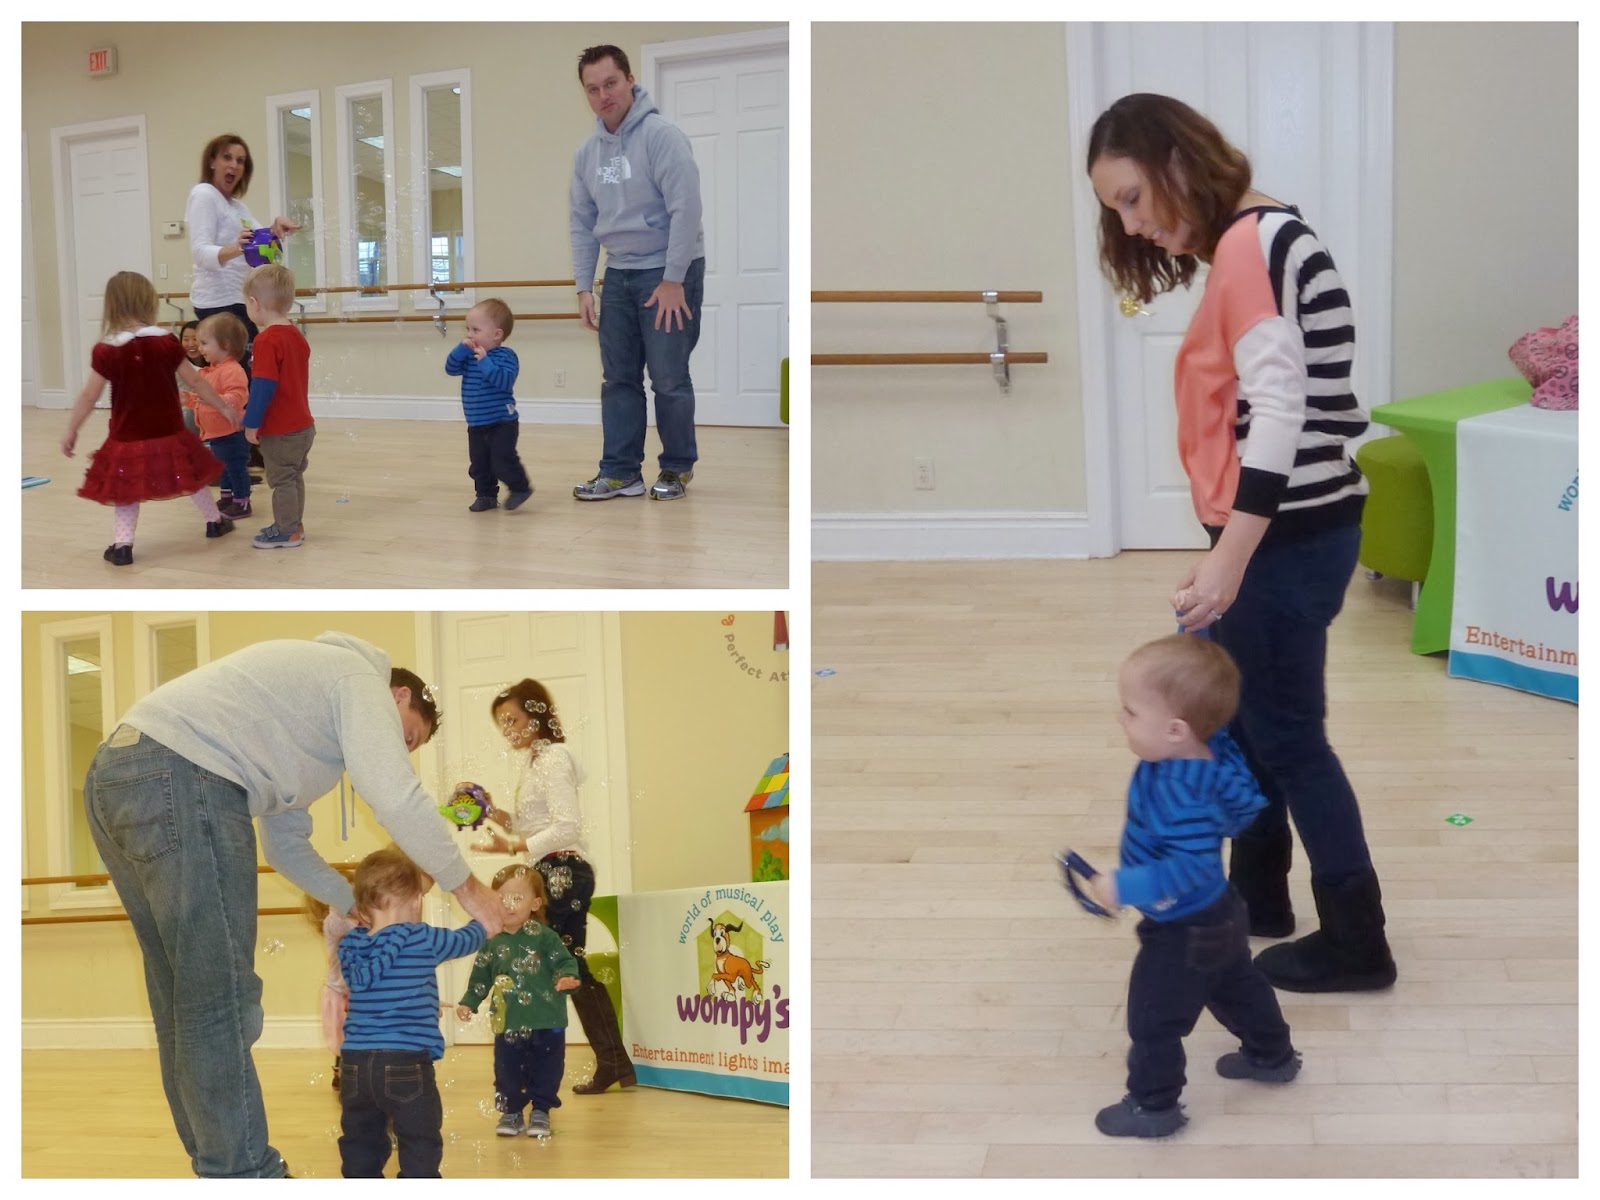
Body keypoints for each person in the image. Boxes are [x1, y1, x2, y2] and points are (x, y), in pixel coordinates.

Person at [1086, 92, 1395, 994]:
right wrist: (1228, 544)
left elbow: (1281, 411)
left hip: (1290, 536)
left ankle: (1358, 943)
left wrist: (1233, 554)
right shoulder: (1260, 240)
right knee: (1251, 726)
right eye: (1116, 211)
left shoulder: (1253, 244)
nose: (1132, 226)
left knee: (1290, 738)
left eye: (1133, 197)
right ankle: (1260, 898)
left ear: (1179, 162)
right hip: (1289, 533)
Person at [81, 632, 507, 1178]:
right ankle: (243, 1174)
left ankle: (222, 1166)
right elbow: (394, 794)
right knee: (221, 1000)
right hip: (182, 774)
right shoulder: (357, 678)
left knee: (182, 999)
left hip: (115, 776)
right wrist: (469, 890)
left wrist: (351, 903)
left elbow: (285, 847)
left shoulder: (304, 725)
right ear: (398, 696)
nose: (399, 749)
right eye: (407, 736)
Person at [1078, 633, 1300, 1138]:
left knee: (1153, 1019)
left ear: (1176, 729)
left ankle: (1153, 1107)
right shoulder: (1209, 742)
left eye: (1130, 712)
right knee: (1236, 985)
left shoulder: (1180, 794)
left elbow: (1191, 865)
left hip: (1183, 929)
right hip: (1220, 913)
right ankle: (1273, 1055)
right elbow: (1199, 685)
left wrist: (1123, 885)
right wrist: (1192, 628)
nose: (1120, 718)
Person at [465, 678, 636, 1093]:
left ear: (537, 714)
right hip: (550, 871)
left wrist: (514, 846)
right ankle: (614, 1062)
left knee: (563, 967)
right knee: (566, 966)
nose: (507, 730)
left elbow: (566, 827)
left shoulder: (554, 758)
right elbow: (530, 825)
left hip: (564, 871)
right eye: (502, 723)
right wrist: (492, 812)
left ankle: (603, 1062)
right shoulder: (535, 762)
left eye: (512, 719)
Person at [569, 43, 705, 502]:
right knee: (618, 379)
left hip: (668, 271)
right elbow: (582, 222)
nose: (603, 95)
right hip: (619, 273)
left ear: (630, 80)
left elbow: (686, 210)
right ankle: (621, 472)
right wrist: (584, 286)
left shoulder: (662, 137)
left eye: (610, 83)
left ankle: (677, 467)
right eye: (592, 89)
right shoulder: (587, 154)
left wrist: (673, 279)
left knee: (668, 377)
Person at [60, 270, 239, 566]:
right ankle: (214, 521)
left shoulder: (106, 349)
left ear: (112, 305)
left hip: (127, 435)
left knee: (126, 487)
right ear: (147, 303)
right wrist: (223, 407)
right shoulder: (166, 342)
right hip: (169, 431)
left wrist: (72, 430)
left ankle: (123, 545)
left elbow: (89, 396)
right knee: (191, 475)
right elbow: (195, 381)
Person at [338, 847, 487, 1178]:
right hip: (406, 1062)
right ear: (417, 901)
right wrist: (487, 919)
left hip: (354, 1065)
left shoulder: (351, 946)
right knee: (419, 1139)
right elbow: (468, 939)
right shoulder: (422, 938)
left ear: (362, 907)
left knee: (360, 1141)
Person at [455, 863, 581, 1139]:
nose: (508, 904)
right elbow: (480, 977)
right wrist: (468, 1002)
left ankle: (541, 1110)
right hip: (508, 1022)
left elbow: (565, 962)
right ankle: (511, 1111)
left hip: (548, 1020)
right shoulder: (491, 941)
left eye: (517, 897)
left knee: (548, 1070)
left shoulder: (546, 938)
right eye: (501, 897)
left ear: (535, 904)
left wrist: (567, 978)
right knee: (507, 1070)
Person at [184, 132, 299, 374]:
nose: (234, 165)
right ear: (212, 161)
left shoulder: (238, 207)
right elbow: (200, 252)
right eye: (227, 157)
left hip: (238, 300)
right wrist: (237, 247)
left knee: (250, 373)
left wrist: (275, 229)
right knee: (240, 376)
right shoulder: (204, 195)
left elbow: (257, 241)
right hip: (217, 302)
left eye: (240, 161)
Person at [240, 263, 315, 549]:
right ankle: (293, 524)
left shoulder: (266, 340)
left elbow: (263, 386)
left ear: (255, 303)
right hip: (303, 426)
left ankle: (286, 530)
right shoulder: (295, 335)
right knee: (293, 477)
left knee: (282, 480)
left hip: (280, 430)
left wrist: (251, 422)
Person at [446, 297, 533, 513]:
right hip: (476, 423)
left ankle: (520, 487)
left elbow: (504, 381)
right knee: (479, 464)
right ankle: (485, 495)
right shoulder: (469, 356)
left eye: (476, 330)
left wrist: (485, 361)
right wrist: (461, 349)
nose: (469, 334)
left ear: (496, 335)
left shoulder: (506, 356)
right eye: (468, 329)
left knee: (502, 459)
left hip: (502, 422)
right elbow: (451, 368)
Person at [186, 312, 252, 518]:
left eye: (204, 343)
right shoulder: (210, 372)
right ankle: (227, 497)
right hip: (217, 433)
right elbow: (201, 400)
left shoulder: (232, 370)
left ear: (225, 345)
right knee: (223, 468)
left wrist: (213, 399)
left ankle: (242, 502)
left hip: (231, 432)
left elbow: (237, 397)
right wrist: (187, 398)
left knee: (235, 468)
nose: (200, 348)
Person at [304, 891, 357, 1092]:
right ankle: (343, 1073)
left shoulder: (354, 923)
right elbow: (344, 923)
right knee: (344, 1040)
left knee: (351, 1038)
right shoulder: (334, 923)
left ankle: (345, 1072)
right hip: (338, 995)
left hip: (355, 994)